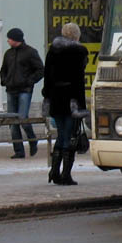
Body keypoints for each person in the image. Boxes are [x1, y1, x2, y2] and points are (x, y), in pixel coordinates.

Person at [42, 22, 88, 185]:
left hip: (55, 98)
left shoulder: (52, 50)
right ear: (77, 34)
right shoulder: (79, 51)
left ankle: (54, 171)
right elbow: (78, 80)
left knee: (61, 134)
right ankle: (65, 174)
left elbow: (46, 75)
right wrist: (81, 105)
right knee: (70, 137)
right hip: (71, 100)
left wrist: (47, 96)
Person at [0, 27, 44, 158]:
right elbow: (3, 69)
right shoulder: (8, 54)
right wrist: (4, 80)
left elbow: (40, 70)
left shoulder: (30, 52)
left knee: (22, 118)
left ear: (15, 39)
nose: (7, 40)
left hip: (25, 90)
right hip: (11, 89)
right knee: (12, 121)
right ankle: (18, 150)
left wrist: (29, 81)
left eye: (9, 38)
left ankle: (32, 139)